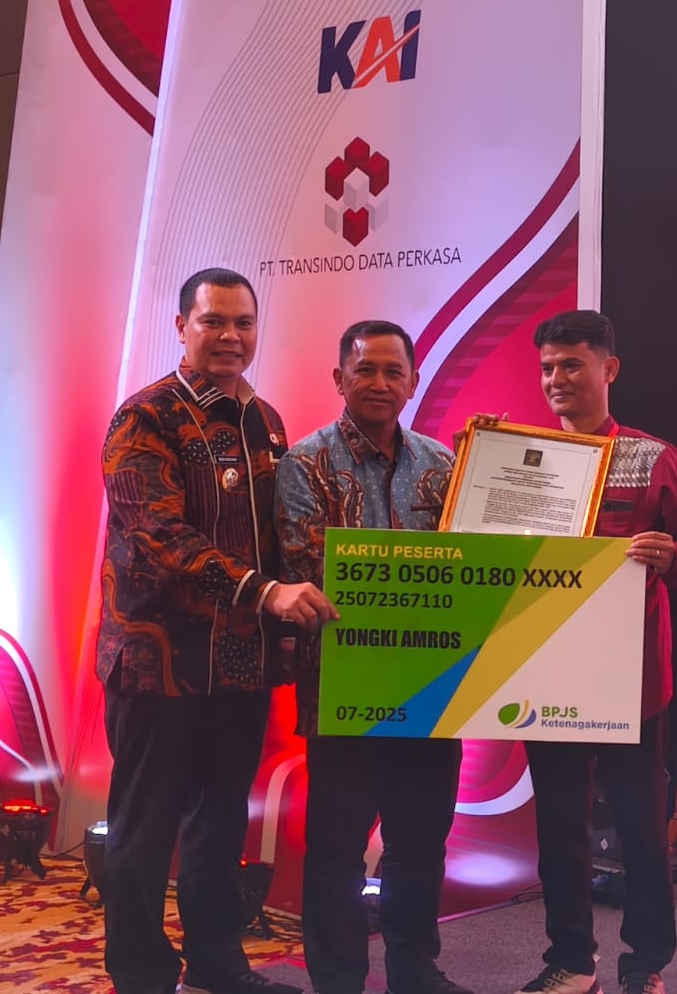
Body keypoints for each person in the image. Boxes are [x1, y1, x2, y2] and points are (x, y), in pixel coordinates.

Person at [98, 268, 337, 994]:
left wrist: (288, 627)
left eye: (243, 323)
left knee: (221, 824)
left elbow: (277, 536)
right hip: (157, 662)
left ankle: (216, 966)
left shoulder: (266, 421)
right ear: (182, 327)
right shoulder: (145, 418)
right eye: (214, 322)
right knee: (144, 829)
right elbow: (159, 537)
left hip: (238, 663)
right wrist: (266, 593)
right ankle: (141, 975)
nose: (231, 337)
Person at [514, 311, 677, 994]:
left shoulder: (651, 456)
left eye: (571, 364)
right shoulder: (523, 458)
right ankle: (571, 961)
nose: (557, 379)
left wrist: (672, 553)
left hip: (631, 679)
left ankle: (645, 963)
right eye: (547, 367)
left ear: (610, 369)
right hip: (545, 671)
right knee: (558, 829)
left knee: (639, 827)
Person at [275, 320, 473, 994]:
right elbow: (309, 570)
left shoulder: (444, 466)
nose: (381, 383)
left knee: (421, 841)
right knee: (337, 848)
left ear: (413, 382)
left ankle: (414, 970)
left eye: (394, 371)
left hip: (432, 688)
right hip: (345, 689)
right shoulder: (304, 465)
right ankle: (337, 979)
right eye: (366, 370)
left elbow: (472, 571)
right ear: (340, 379)